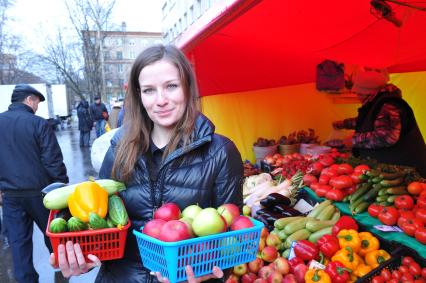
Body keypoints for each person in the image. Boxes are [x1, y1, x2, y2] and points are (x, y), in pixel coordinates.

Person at [51, 45, 243, 282]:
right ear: (138, 96)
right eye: (149, 90)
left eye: (171, 86)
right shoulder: (118, 150)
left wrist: (213, 274)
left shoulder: (221, 153)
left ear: (187, 88)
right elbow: (101, 229)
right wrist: (83, 261)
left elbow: (233, 237)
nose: (161, 100)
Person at [0, 84, 69, 283]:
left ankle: (26, 280)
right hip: (41, 195)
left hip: (11, 196)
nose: (37, 106)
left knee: (18, 244)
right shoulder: (38, 123)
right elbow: (52, 161)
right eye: (37, 101)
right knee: (54, 236)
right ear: (30, 99)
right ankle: (62, 269)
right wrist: (61, 186)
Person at [333, 67, 426, 177]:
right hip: (394, 169)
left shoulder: (389, 106)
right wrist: (344, 124)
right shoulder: (377, 101)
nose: (358, 97)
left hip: (406, 169)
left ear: (369, 92)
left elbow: (385, 137)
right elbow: (370, 120)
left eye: (359, 93)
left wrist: (353, 141)